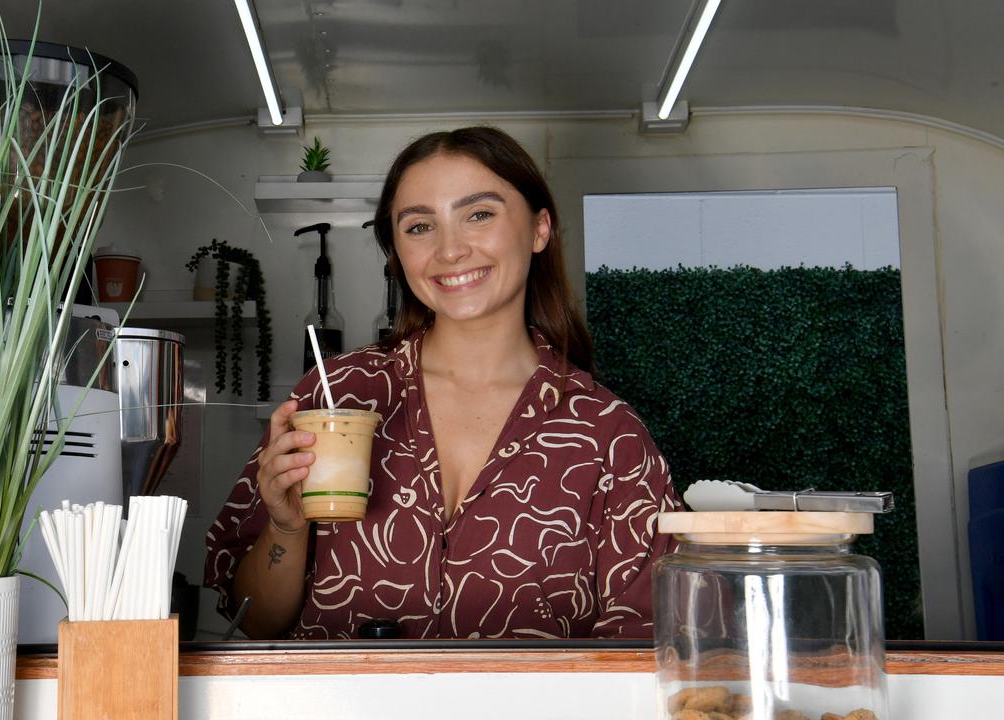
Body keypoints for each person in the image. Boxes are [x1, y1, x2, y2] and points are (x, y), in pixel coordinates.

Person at [204, 126, 681, 640]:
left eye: (479, 214)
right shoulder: (338, 392)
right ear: (396, 253)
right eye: (419, 226)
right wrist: (286, 527)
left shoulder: (607, 433)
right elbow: (253, 622)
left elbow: (649, 642)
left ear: (540, 228)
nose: (450, 250)